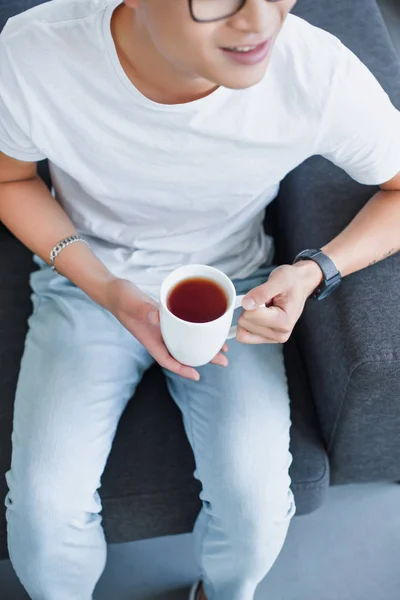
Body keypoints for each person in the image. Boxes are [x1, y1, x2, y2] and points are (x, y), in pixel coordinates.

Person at [0, 0, 399, 598]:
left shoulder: (314, 70)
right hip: (85, 283)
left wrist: (315, 271)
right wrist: (106, 288)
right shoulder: (38, 49)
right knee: (41, 517)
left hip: (234, 287)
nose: (261, 20)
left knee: (257, 510)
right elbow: (10, 179)